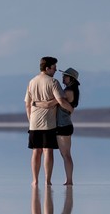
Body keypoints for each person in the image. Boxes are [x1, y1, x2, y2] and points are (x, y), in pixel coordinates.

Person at [25, 56, 74, 186]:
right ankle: (47, 180)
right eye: (54, 68)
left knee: (36, 151)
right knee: (48, 151)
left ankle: (35, 180)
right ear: (47, 68)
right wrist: (70, 109)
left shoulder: (32, 82)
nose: (55, 70)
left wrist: (31, 118)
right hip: (49, 123)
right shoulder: (53, 82)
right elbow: (61, 100)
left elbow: (27, 104)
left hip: (34, 122)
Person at [56, 67, 80, 186]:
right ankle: (69, 179)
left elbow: (58, 101)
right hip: (65, 124)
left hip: (63, 125)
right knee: (65, 154)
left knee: (66, 155)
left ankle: (69, 180)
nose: (63, 78)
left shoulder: (68, 91)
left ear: (71, 79)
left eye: (65, 76)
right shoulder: (71, 90)